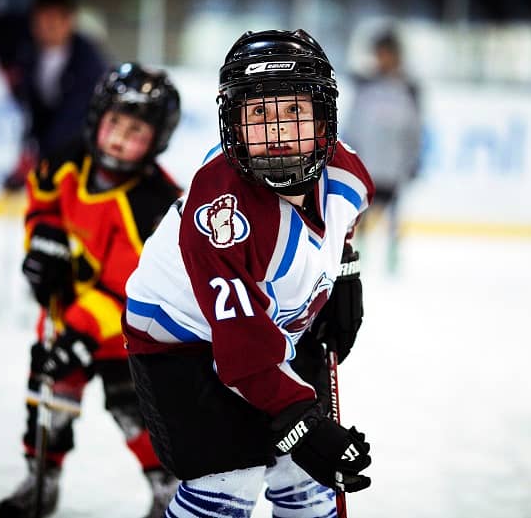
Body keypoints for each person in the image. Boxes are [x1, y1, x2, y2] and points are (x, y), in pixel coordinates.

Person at [123, 29, 374, 517]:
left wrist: (345, 276)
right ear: (232, 124)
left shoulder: (349, 176)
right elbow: (241, 350)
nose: (278, 131)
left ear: (324, 121)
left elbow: (345, 227)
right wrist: (300, 419)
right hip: (180, 342)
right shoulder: (218, 210)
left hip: (272, 328)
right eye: (258, 113)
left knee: (305, 477)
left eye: (293, 111)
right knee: (228, 481)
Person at [0, 62, 184, 518]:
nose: (119, 138)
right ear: (96, 118)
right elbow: (42, 205)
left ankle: (167, 490)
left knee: (135, 413)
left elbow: (128, 285)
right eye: (114, 123)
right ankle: (41, 479)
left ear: (155, 141)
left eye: (135, 131)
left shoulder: (156, 205)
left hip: (126, 334)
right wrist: (42, 243)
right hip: (64, 315)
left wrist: (80, 334)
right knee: (48, 395)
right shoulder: (64, 162)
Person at [0, 0, 108, 191]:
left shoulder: (89, 62)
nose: (47, 28)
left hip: (81, 142)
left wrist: (41, 162)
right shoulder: (24, 46)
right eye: (40, 20)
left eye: (54, 21)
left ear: (70, 21)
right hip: (43, 134)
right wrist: (6, 67)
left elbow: (70, 120)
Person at [344, 28, 422, 275]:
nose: (382, 59)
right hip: (368, 162)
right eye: (379, 53)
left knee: (394, 213)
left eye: (386, 53)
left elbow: (415, 129)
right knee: (364, 213)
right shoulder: (365, 86)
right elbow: (353, 124)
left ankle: (393, 256)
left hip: (394, 164)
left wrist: (413, 159)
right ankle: (362, 253)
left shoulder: (408, 89)